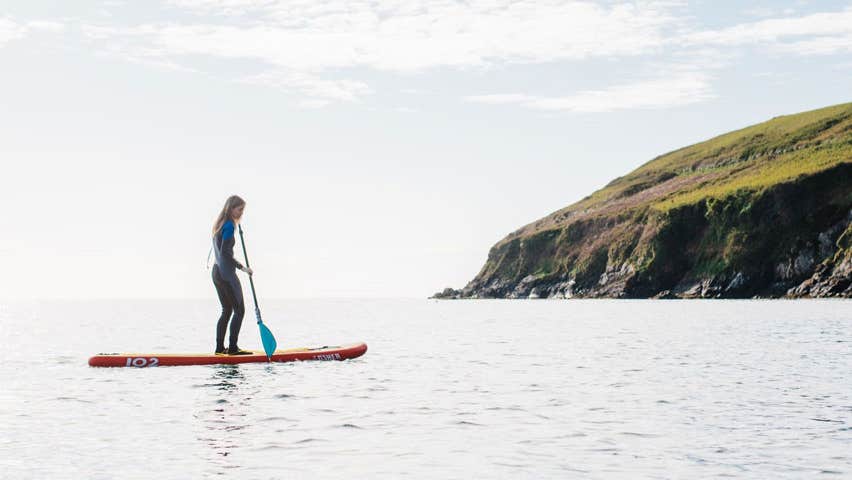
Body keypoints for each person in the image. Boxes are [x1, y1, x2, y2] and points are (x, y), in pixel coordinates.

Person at [211, 195, 254, 355]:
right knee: (239, 310)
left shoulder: (219, 225)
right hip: (226, 274)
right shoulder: (229, 225)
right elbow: (225, 254)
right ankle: (233, 349)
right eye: (239, 209)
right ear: (231, 208)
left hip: (216, 273)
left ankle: (220, 348)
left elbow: (220, 254)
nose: (241, 213)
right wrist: (243, 268)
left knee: (227, 310)